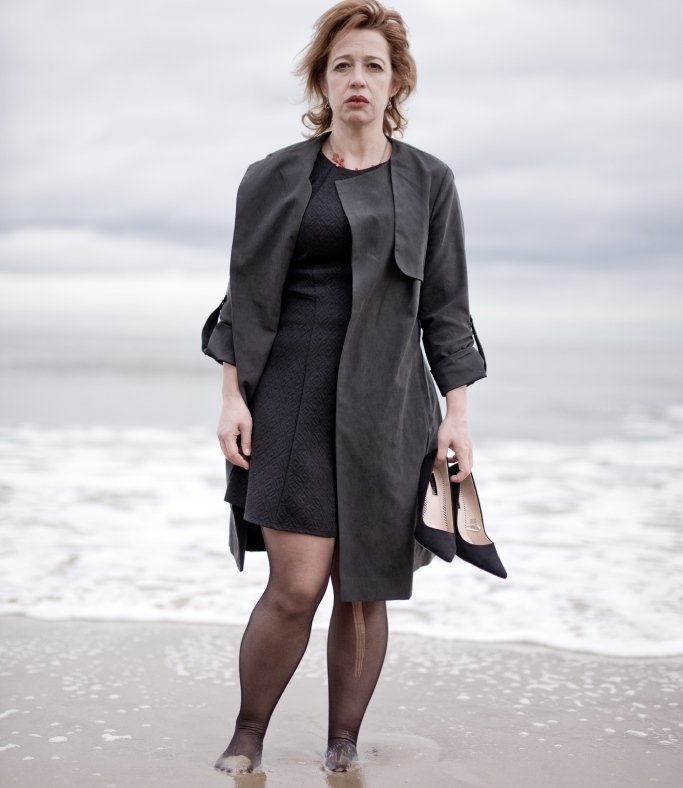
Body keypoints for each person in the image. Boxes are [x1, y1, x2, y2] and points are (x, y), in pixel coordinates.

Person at [201, 0, 487, 774]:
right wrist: (231, 397)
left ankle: (342, 746)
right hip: (289, 397)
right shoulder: (271, 177)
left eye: (373, 66)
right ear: (321, 81)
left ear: (395, 83)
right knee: (295, 586)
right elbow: (242, 299)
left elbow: (446, 307)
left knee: (363, 586)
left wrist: (456, 414)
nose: (357, 78)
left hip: (388, 406)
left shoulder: (429, 181)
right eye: (342, 65)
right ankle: (247, 736)